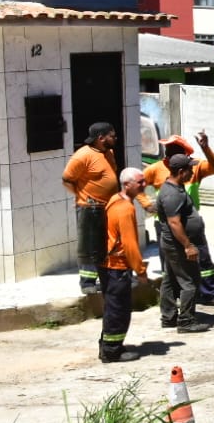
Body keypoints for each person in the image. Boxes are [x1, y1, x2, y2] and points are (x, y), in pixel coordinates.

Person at [142, 131, 214, 306]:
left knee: (202, 259)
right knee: (171, 263)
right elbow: (136, 184)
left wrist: (206, 148)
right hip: (167, 224)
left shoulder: (192, 168)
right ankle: (177, 298)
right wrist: (146, 204)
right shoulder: (156, 169)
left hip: (190, 223)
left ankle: (209, 294)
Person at [61, 122, 119, 293]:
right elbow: (67, 180)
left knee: (105, 243)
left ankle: (105, 278)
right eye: (112, 135)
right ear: (101, 138)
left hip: (108, 206)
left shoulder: (109, 153)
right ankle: (87, 283)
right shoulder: (82, 156)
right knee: (89, 245)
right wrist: (83, 196)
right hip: (89, 208)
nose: (115, 138)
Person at [156, 154, 211, 334]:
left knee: (171, 280)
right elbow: (174, 223)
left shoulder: (176, 188)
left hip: (174, 244)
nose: (192, 172)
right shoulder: (172, 194)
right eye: (190, 169)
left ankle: (169, 317)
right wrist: (188, 245)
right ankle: (186, 321)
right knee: (190, 281)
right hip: (177, 245)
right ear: (181, 171)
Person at [100, 167, 149, 363]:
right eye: (140, 182)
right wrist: (141, 271)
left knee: (112, 308)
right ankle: (112, 351)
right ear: (127, 184)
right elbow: (130, 245)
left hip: (107, 266)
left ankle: (108, 346)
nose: (144, 185)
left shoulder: (114, 200)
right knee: (118, 311)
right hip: (117, 268)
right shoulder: (126, 209)